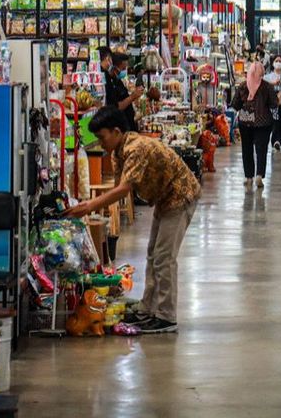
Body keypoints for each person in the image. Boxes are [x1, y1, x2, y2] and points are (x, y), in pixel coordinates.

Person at [64, 107, 200, 334]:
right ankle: (148, 307)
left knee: (164, 258)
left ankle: (166, 316)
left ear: (116, 131)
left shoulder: (136, 148)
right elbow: (119, 188)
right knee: (153, 254)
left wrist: (89, 207)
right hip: (163, 198)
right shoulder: (119, 152)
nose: (100, 143)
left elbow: (124, 189)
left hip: (180, 196)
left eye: (101, 137)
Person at [232, 61, 279, 188]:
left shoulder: (242, 86)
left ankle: (248, 177)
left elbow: (235, 104)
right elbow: (274, 104)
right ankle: (259, 175)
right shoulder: (267, 86)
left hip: (245, 122)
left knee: (246, 149)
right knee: (261, 149)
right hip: (263, 122)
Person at [265, 56, 281, 151]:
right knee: (275, 122)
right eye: (276, 61)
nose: (278, 63)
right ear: (273, 63)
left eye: (280, 61)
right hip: (273, 103)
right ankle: (275, 141)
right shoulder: (268, 76)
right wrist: (273, 84)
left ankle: (279, 140)